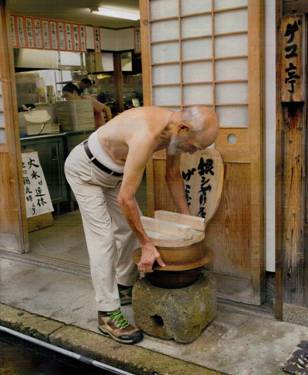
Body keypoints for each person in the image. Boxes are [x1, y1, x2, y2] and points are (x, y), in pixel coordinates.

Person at [64, 106, 219, 345]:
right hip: (86, 172)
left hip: (114, 175)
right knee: (103, 239)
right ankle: (107, 313)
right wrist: (147, 244)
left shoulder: (174, 132)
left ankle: (123, 285)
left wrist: (188, 221)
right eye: (195, 146)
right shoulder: (146, 134)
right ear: (184, 129)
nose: (193, 152)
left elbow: (173, 176)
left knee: (127, 230)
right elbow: (126, 199)